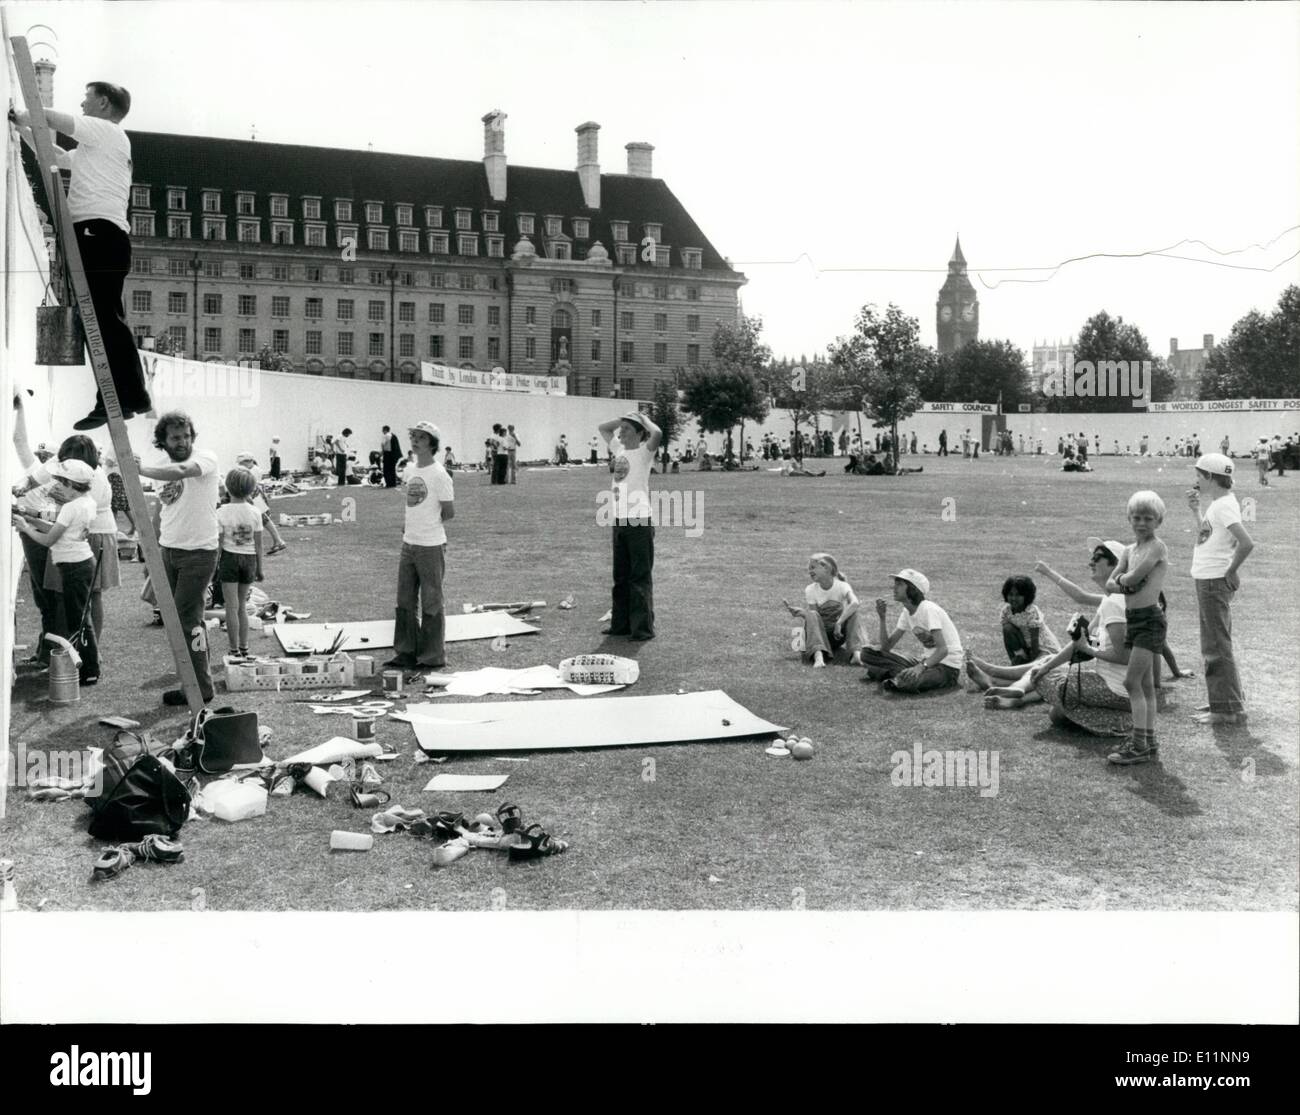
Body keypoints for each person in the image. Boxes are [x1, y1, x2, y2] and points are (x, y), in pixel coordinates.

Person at [12, 84, 152, 429]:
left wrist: (20, 115)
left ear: (104, 103)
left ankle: (123, 396)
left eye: (87, 96)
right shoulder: (101, 148)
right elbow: (56, 156)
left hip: (99, 232)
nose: (82, 102)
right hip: (102, 234)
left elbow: (50, 117)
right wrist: (23, 131)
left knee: (102, 317)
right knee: (103, 317)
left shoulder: (106, 131)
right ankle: (120, 397)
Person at [136, 411, 220, 706]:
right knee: (177, 621)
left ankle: (201, 687)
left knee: (189, 620)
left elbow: (183, 472)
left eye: (186, 436)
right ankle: (192, 681)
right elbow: (164, 509)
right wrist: (151, 549)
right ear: (163, 440)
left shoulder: (205, 457)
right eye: (175, 437)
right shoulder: (160, 466)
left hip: (200, 552)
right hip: (169, 550)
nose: (182, 441)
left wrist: (142, 470)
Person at [1019, 541, 1132, 735]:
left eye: (1097, 558)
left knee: (1042, 678)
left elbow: (1124, 656)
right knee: (1056, 714)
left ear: (1115, 565)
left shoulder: (1114, 603)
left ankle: (1121, 722)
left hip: (1118, 689)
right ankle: (1117, 719)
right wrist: (1049, 665)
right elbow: (1086, 640)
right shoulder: (1109, 600)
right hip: (1114, 685)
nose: (1091, 563)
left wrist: (1089, 649)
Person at [11, 459, 101, 685]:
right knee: (79, 618)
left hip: (74, 566)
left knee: (78, 621)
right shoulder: (86, 502)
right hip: (81, 563)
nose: (57, 486)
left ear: (73, 485)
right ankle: (87, 666)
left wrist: (25, 527)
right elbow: (55, 527)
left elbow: (50, 538)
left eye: (62, 482)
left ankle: (89, 670)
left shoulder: (71, 507)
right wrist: (30, 519)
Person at [1102, 491, 1169, 764]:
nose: (1142, 523)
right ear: (1129, 518)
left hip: (1150, 619)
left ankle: (1139, 743)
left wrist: (1125, 580)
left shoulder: (1156, 547)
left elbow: (1133, 576)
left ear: (1158, 521)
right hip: (1134, 618)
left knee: (1132, 682)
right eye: (1137, 518)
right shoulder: (1130, 550)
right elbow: (1112, 583)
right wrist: (1125, 581)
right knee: (1144, 684)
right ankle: (1148, 740)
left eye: (1148, 519)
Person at [1187, 452, 1253, 726]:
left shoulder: (1224, 506)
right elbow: (1209, 537)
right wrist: (1196, 512)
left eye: (1199, 475)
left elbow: (1247, 543)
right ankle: (1225, 701)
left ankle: (1226, 709)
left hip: (1214, 580)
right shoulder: (1220, 504)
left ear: (1211, 477)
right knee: (1215, 643)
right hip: (1209, 579)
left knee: (1215, 646)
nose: (1196, 480)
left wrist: (1230, 571)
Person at [385, 421, 454, 670]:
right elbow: (413, 504)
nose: (414, 441)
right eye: (413, 436)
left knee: (431, 601)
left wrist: (426, 526)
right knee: (404, 600)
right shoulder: (410, 470)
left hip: (431, 545)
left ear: (431, 444)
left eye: (421, 438)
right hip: (409, 544)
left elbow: (449, 512)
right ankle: (405, 651)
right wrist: (411, 526)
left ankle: (432, 656)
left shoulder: (439, 474)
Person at [599, 411, 663, 641]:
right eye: (621, 429)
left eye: (626, 429)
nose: (620, 432)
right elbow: (603, 428)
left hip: (638, 521)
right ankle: (620, 625)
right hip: (619, 520)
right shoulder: (619, 450)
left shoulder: (645, 452)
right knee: (621, 577)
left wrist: (641, 419)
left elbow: (657, 432)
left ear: (638, 433)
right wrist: (624, 418)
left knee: (639, 577)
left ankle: (642, 629)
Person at [860, 569, 962, 692]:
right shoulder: (906, 612)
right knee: (867, 652)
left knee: (912, 680)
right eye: (895, 584)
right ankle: (898, 677)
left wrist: (920, 668)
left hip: (947, 668)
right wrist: (882, 618)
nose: (894, 588)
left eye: (900, 584)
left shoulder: (928, 610)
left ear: (913, 589)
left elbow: (943, 650)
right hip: (927, 663)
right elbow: (886, 647)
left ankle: (896, 678)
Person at [783, 553, 869, 668]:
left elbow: (855, 603)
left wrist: (839, 623)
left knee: (854, 613)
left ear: (827, 569)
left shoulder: (842, 586)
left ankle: (856, 655)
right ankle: (818, 657)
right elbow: (815, 619)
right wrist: (803, 614)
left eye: (813, 568)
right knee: (812, 614)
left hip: (838, 634)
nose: (809, 571)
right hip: (822, 636)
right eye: (809, 569)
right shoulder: (810, 589)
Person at [216, 467, 264, 658]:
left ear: (227, 487)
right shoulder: (255, 512)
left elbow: (219, 544)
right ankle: (244, 648)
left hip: (229, 558)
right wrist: (260, 568)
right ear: (251, 489)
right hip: (250, 559)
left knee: (231, 606)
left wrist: (215, 565)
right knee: (243, 606)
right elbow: (259, 544)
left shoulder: (222, 512)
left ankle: (233, 649)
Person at [235, 451, 288, 555]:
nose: (239, 465)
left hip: (253, 495)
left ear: (248, 461)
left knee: (263, 519)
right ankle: (277, 540)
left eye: (241, 463)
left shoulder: (253, 471)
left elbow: (248, 484)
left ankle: (278, 540)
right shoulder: (254, 469)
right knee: (262, 519)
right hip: (254, 494)